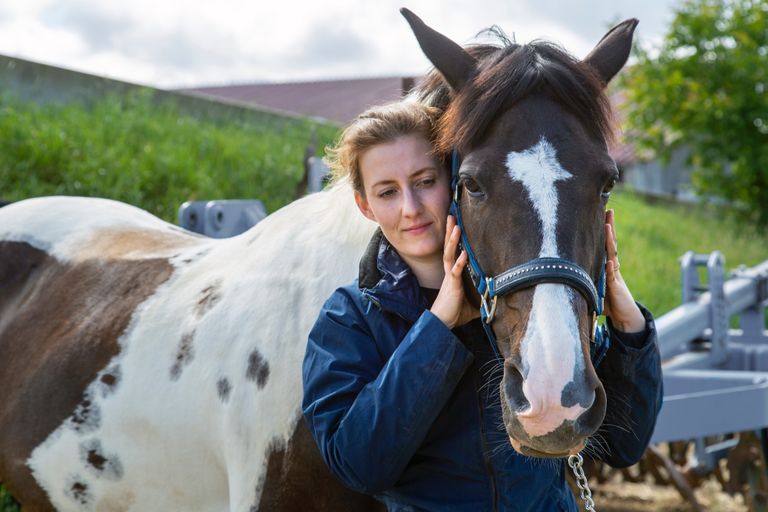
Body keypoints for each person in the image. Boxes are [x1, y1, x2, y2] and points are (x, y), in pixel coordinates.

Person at [301, 100, 662, 511]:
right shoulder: (347, 319)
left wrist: (629, 325)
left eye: (424, 181)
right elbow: (358, 466)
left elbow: (625, 445)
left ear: (454, 182)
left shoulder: (522, 300)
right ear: (365, 205)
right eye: (387, 192)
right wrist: (437, 327)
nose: (411, 208)